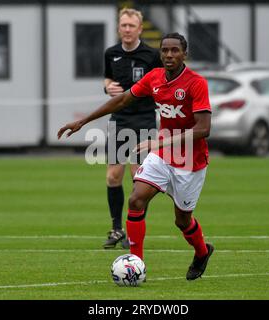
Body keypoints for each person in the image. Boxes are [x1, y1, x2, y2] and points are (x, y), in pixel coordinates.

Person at [58, 33, 214, 280]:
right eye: (165, 51)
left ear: (185, 53)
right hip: (162, 155)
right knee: (136, 200)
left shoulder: (196, 83)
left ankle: (202, 252)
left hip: (190, 162)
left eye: (175, 51)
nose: (169, 55)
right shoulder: (154, 78)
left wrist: (160, 140)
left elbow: (203, 129)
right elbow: (121, 100)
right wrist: (83, 121)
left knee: (183, 220)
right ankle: (135, 263)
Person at [102, 8, 162, 249]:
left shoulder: (151, 55)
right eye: (123, 25)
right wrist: (107, 87)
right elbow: (107, 79)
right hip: (120, 119)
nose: (127, 29)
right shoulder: (111, 53)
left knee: (139, 178)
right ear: (119, 28)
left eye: (131, 26)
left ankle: (133, 232)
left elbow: (161, 82)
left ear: (139, 29)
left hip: (144, 119)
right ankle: (116, 229)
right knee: (112, 175)